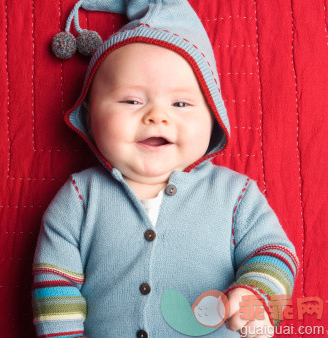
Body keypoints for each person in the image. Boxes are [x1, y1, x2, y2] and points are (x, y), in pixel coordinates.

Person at [32, 1, 298, 337]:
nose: (157, 117)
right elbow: (56, 284)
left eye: (181, 104)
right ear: (89, 115)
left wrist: (256, 295)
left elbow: (274, 251)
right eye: (132, 101)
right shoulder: (80, 198)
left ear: (213, 116)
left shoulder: (235, 195)